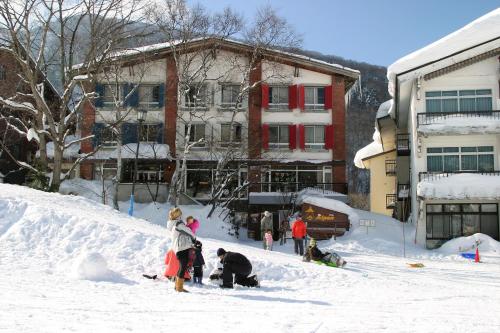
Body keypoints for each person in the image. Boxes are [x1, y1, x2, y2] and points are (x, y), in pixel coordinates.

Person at [167, 207, 196, 292]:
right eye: (180, 214)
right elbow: (189, 232)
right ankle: (179, 287)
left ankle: (178, 286)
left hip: (178, 249)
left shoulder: (173, 224)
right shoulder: (179, 224)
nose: (181, 216)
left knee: (181, 267)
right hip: (182, 248)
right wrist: (194, 239)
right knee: (183, 267)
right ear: (178, 215)